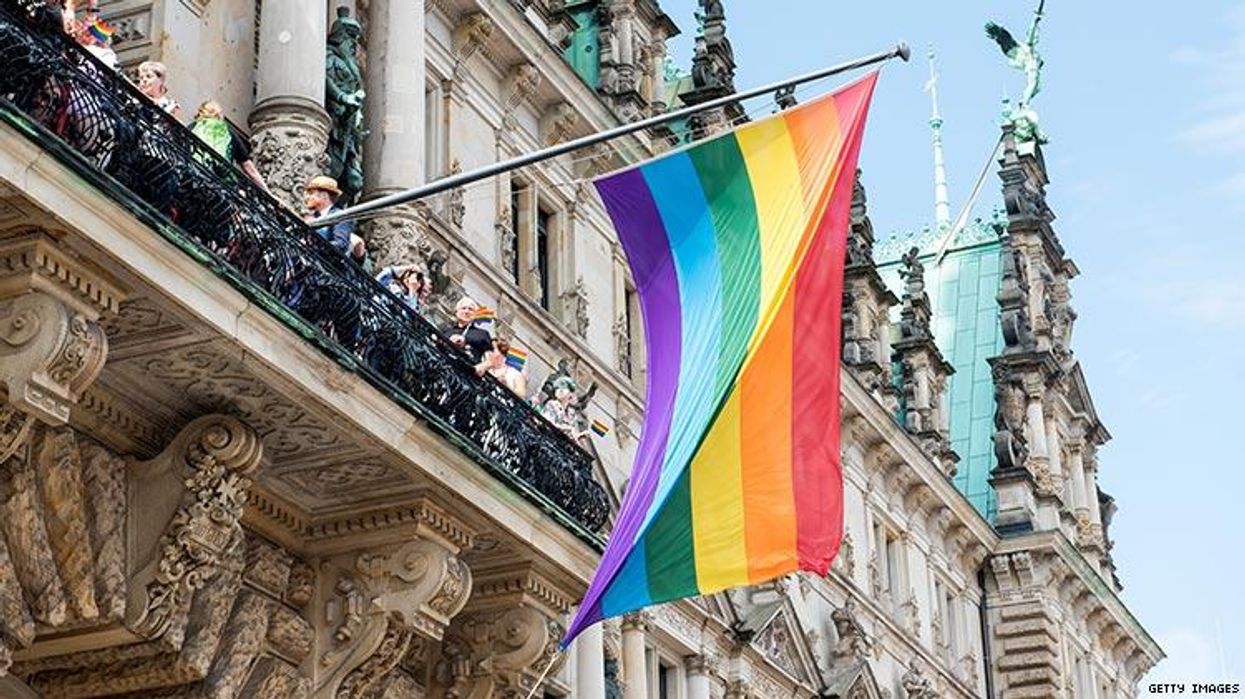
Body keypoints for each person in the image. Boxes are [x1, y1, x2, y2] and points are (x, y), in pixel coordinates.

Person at [190, 100, 268, 191]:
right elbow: (247, 166)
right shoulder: (227, 131)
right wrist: (267, 190)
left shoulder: (193, 127)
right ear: (219, 114)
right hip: (220, 185)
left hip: (194, 178)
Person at [302, 175, 355, 256]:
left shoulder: (339, 215)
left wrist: (312, 247)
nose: (307, 197)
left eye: (311, 193)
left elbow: (340, 245)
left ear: (324, 196)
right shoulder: (311, 216)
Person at [441, 296, 492, 363]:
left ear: (474, 315)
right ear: (457, 312)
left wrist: (465, 340)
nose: (466, 311)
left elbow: (487, 345)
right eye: (463, 308)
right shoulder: (447, 330)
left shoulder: (482, 333)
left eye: (470, 309)